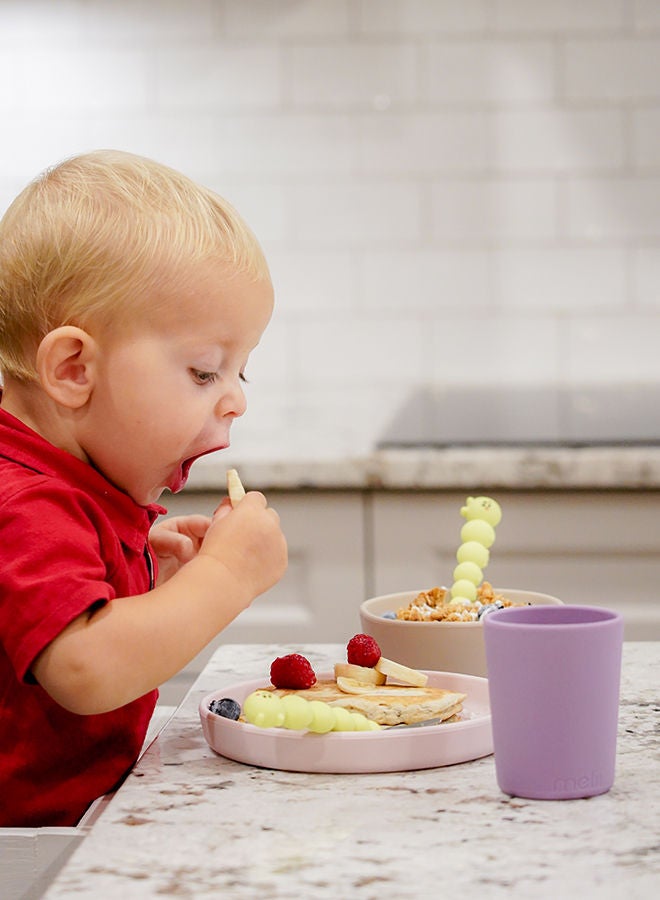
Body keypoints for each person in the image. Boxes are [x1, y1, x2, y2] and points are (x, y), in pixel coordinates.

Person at [0, 150, 288, 826]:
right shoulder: (25, 501)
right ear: (73, 369)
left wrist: (138, 584)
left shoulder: (72, 489)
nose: (235, 402)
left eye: (241, 374)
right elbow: (87, 670)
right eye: (204, 372)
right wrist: (223, 575)